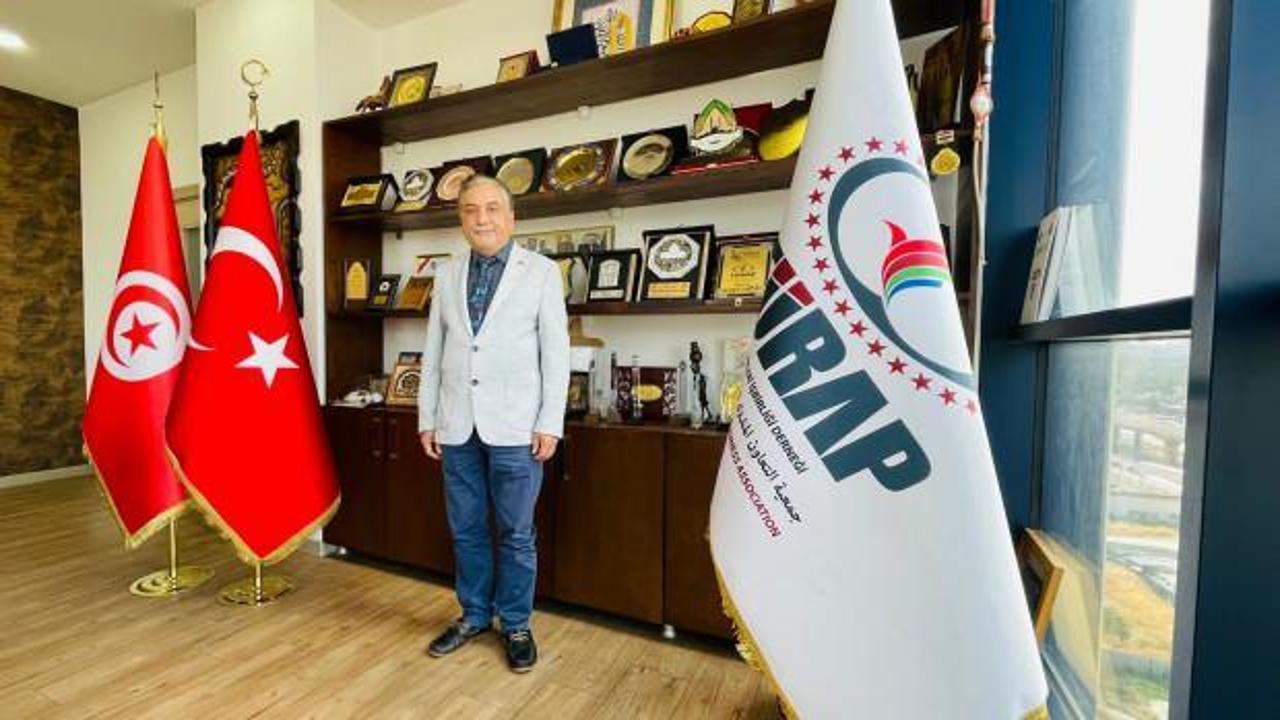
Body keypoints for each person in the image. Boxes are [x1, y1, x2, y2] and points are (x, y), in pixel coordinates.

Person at [417, 174, 569, 673]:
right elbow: (435, 351)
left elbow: (556, 354)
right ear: (461, 218)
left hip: (517, 429)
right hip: (457, 424)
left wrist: (550, 422)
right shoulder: (446, 274)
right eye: (470, 210)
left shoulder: (542, 272)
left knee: (516, 533)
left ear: (511, 217)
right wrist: (428, 417)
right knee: (466, 530)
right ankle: (474, 616)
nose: (481, 218)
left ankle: (517, 624)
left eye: (491, 208)